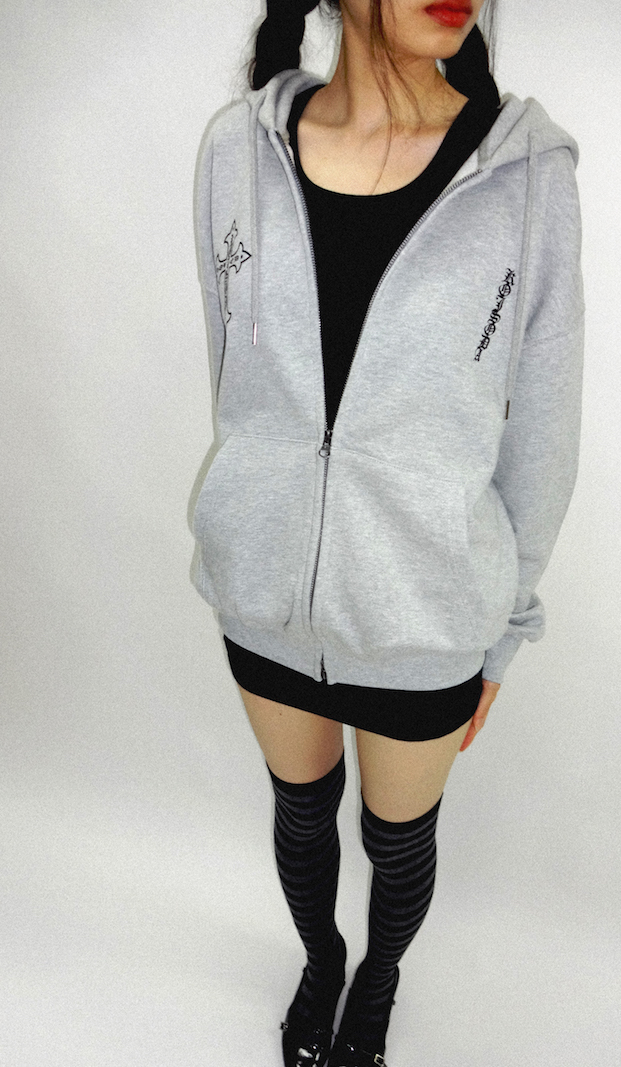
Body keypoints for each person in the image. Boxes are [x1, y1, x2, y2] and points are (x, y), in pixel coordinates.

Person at [190, 0, 583, 1063]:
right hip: (264, 594)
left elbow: (543, 432)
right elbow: (237, 380)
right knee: (301, 809)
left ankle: (379, 977)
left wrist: (504, 632)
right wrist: (252, 517)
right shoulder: (236, 152)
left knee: (397, 838)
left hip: (426, 610)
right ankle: (322, 959)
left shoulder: (525, 175)